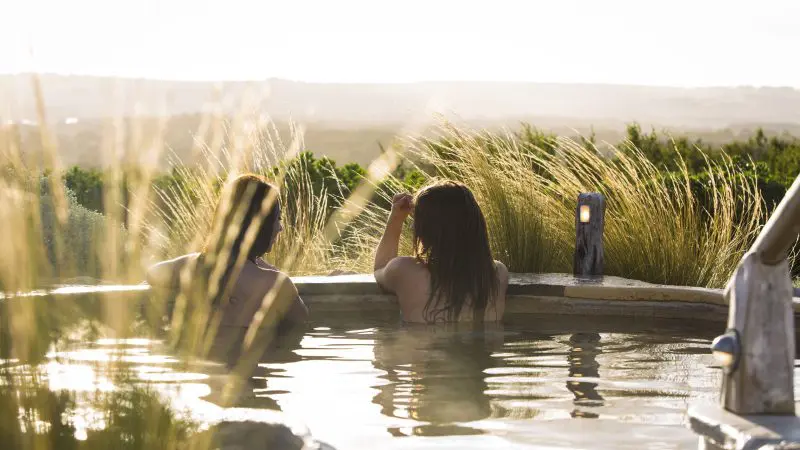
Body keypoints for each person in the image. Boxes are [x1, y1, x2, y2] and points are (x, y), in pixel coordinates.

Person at [146, 173, 308, 335]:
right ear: (260, 224)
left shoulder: (192, 267)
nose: (280, 228)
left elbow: (152, 273)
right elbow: (302, 326)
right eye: (277, 218)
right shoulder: (276, 285)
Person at [373, 180, 508, 323]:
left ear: (427, 231)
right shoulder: (498, 274)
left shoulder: (405, 271)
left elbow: (380, 269)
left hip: (422, 344)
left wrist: (396, 219)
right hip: (481, 345)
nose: (413, 226)